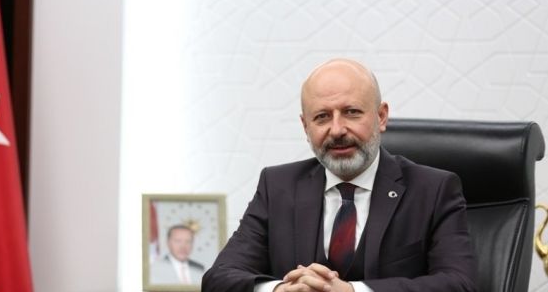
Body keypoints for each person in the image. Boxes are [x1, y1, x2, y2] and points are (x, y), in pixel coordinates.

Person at [202, 58, 477, 292]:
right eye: (322, 117)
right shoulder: (277, 187)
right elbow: (218, 278)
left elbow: (460, 283)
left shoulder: (434, 190)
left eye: (351, 112)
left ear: (381, 117)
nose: (336, 130)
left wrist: (353, 291)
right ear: (305, 126)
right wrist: (278, 290)